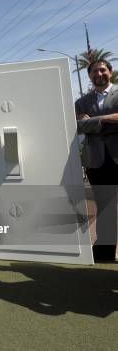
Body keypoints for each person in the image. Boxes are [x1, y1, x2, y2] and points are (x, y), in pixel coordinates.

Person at [75, 59, 118, 261]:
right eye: (93, 71)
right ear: (89, 76)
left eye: (102, 70)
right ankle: (105, 251)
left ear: (110, 71)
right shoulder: (82, 102)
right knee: (105, 206)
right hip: (96, 161)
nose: (98, 74)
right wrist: (110, 120)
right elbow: (78, 125)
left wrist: (94, 121)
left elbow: (87, 124)